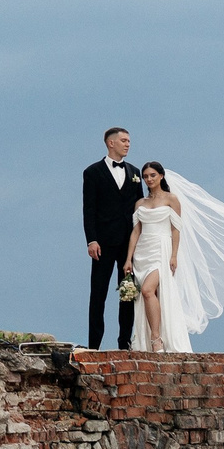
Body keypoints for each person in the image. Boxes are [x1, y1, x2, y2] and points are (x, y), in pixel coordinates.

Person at [123, 159, 224, 353]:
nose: (149, 179)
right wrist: (129, 258)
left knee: (147, 290)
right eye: (146, 176)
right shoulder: (140, 203)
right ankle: (147, 339)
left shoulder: (171, 199)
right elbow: (136, 231)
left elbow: (176, 229)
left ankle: (157, 338)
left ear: (161, 176)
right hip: (143, 252)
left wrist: (174, 256)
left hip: (161, 249)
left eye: (152, 175)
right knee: (146, 295)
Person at [82, 128, 145, 350]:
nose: (128, 144)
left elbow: (140, 210)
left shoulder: (135, 172)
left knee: (128, 292)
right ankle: (94, 345)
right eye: (124, 140)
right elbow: (89, 210)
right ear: (110, 143)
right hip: (103, 243)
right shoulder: (92, 172)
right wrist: (92, 240)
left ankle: (124, 342)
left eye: (129, 140)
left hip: (128, 245)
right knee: (98, 294)